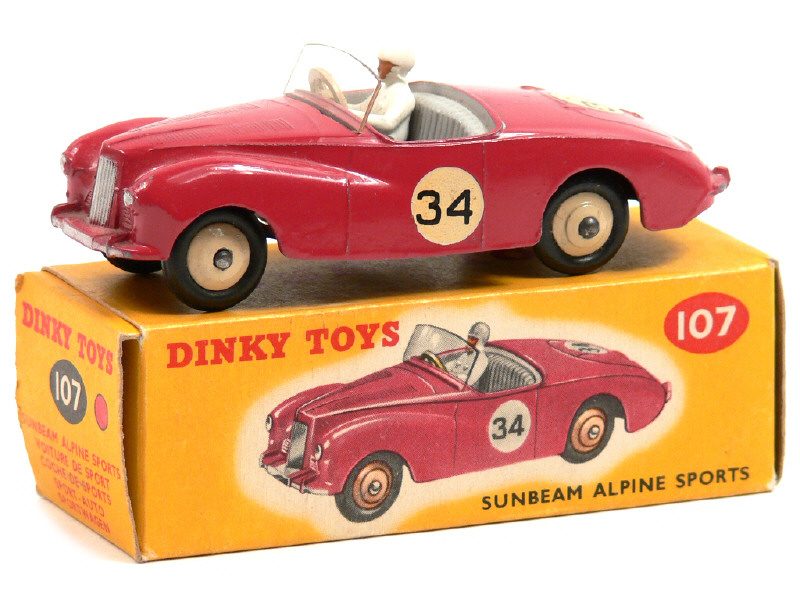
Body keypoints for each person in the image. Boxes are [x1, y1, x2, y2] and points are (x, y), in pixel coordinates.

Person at [350, 47, 416, 141]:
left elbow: (389, 122)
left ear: (396, 69)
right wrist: (339, 105)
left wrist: (350, 113)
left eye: (383, 64)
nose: (378, 68)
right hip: (373, 138)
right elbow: (363, 108)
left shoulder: (403, 95)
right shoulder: (384, 89)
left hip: (387, 143)